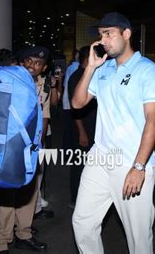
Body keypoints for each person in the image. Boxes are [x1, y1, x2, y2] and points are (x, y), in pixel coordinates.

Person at [72, 12, 155, 253]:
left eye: (109, 34)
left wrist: (139, 167)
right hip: (100, 157)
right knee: (82, 223)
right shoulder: (103, 69)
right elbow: (77, 103)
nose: (103, 40)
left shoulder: (147, 70)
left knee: (138, 237)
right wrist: (91, 68)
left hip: (130, 161)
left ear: (126, 34)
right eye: (101, 35)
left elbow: (153, 121)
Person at [0, 46, 51, 253]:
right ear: (21, 61)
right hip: (11, 144)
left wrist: (37, 145)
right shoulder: (8, 79)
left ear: (43, 68)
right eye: (28, 60)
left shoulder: (43, 86)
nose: (32, 66)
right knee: (8, 191)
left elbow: (44, 115)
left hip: (32, 145)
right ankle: (1, 240)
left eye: (37, 63)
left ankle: (24, 233)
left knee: (30, 189)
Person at [67, 45, 97, 209]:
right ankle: (75, 199)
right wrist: (82, 132)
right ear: (88, 58)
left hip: (91, 128)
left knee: (88, 165)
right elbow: (75, 109)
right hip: (81, 130)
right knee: (78, 165)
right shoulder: (77, 77)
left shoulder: (89, 75)